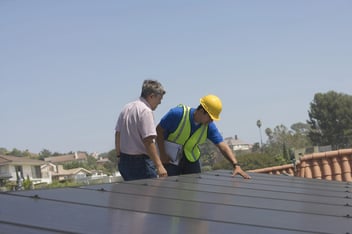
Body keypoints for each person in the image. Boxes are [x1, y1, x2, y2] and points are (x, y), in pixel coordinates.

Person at [156, 94, 251, 179]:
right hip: (170, 159)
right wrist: (163, 155)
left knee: (191, 189)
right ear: (201, 111)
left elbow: (222, 145)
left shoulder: (208, 126)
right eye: (210, 117)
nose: (211, 121)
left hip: (191, 159)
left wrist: (236, 165)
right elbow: (158, 131)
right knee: (170, 187)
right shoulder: (177, 114)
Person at [115, 79, 168, 181]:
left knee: (133, 196)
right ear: (151, 96)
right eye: (159, 99)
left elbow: (118, 134)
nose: (160, 102)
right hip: (141, 163)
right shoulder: (145, 111)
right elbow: (148, 141)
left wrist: (119, 156)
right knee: (149, 195)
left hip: (125, 161)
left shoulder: (126, 108)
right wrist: (159, 166)